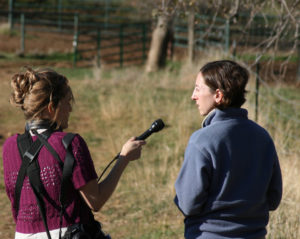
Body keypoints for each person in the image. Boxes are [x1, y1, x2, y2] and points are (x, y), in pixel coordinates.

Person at [2, 67, 146, 239]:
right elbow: (96, 201)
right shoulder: (70, 143)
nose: (70, 109)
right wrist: (124, 158)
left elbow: (17, 204)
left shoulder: (9, 146)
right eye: (67, 101)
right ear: (51, 107)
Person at [174, 60, 282, 239]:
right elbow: (273, 198)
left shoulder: (201, 141)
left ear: (218, 95)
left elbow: (188, 204)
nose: (193, 96)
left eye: (198, 88)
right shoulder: (263, 137)